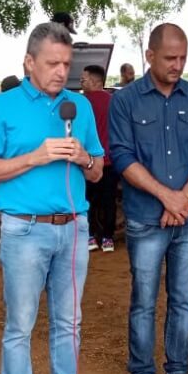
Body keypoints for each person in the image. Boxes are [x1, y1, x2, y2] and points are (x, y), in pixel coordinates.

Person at [0, 22, 105, 374]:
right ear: (29, 62)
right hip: (24, 229)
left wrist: (85, 157)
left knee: (69, 323)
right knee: (20, 326)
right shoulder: (3, 107)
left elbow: (98, 170)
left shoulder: (78, 108)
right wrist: (36, 157)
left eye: (66, 64)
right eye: (52, 63)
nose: (60, 72)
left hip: (73, 226)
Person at [109, 23, 188, 374]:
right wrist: (166, 197)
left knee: (183, 298)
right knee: (143, 299)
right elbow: (122, 157)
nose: (178, 64)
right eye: (170, 57)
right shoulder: (125, 101)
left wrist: (183, 198)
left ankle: (178, 372)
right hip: (145, 218)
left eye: (183, 57)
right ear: (150, 56)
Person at [81, 64, 117, 252]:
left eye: (84, 79)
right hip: (110, 160)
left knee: (88, 201)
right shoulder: (113, 101)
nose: (81, 82)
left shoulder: (82, 103)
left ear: (95, 81)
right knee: (108, 201)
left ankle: (90, 237)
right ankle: (108, 238)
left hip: (88, 161)